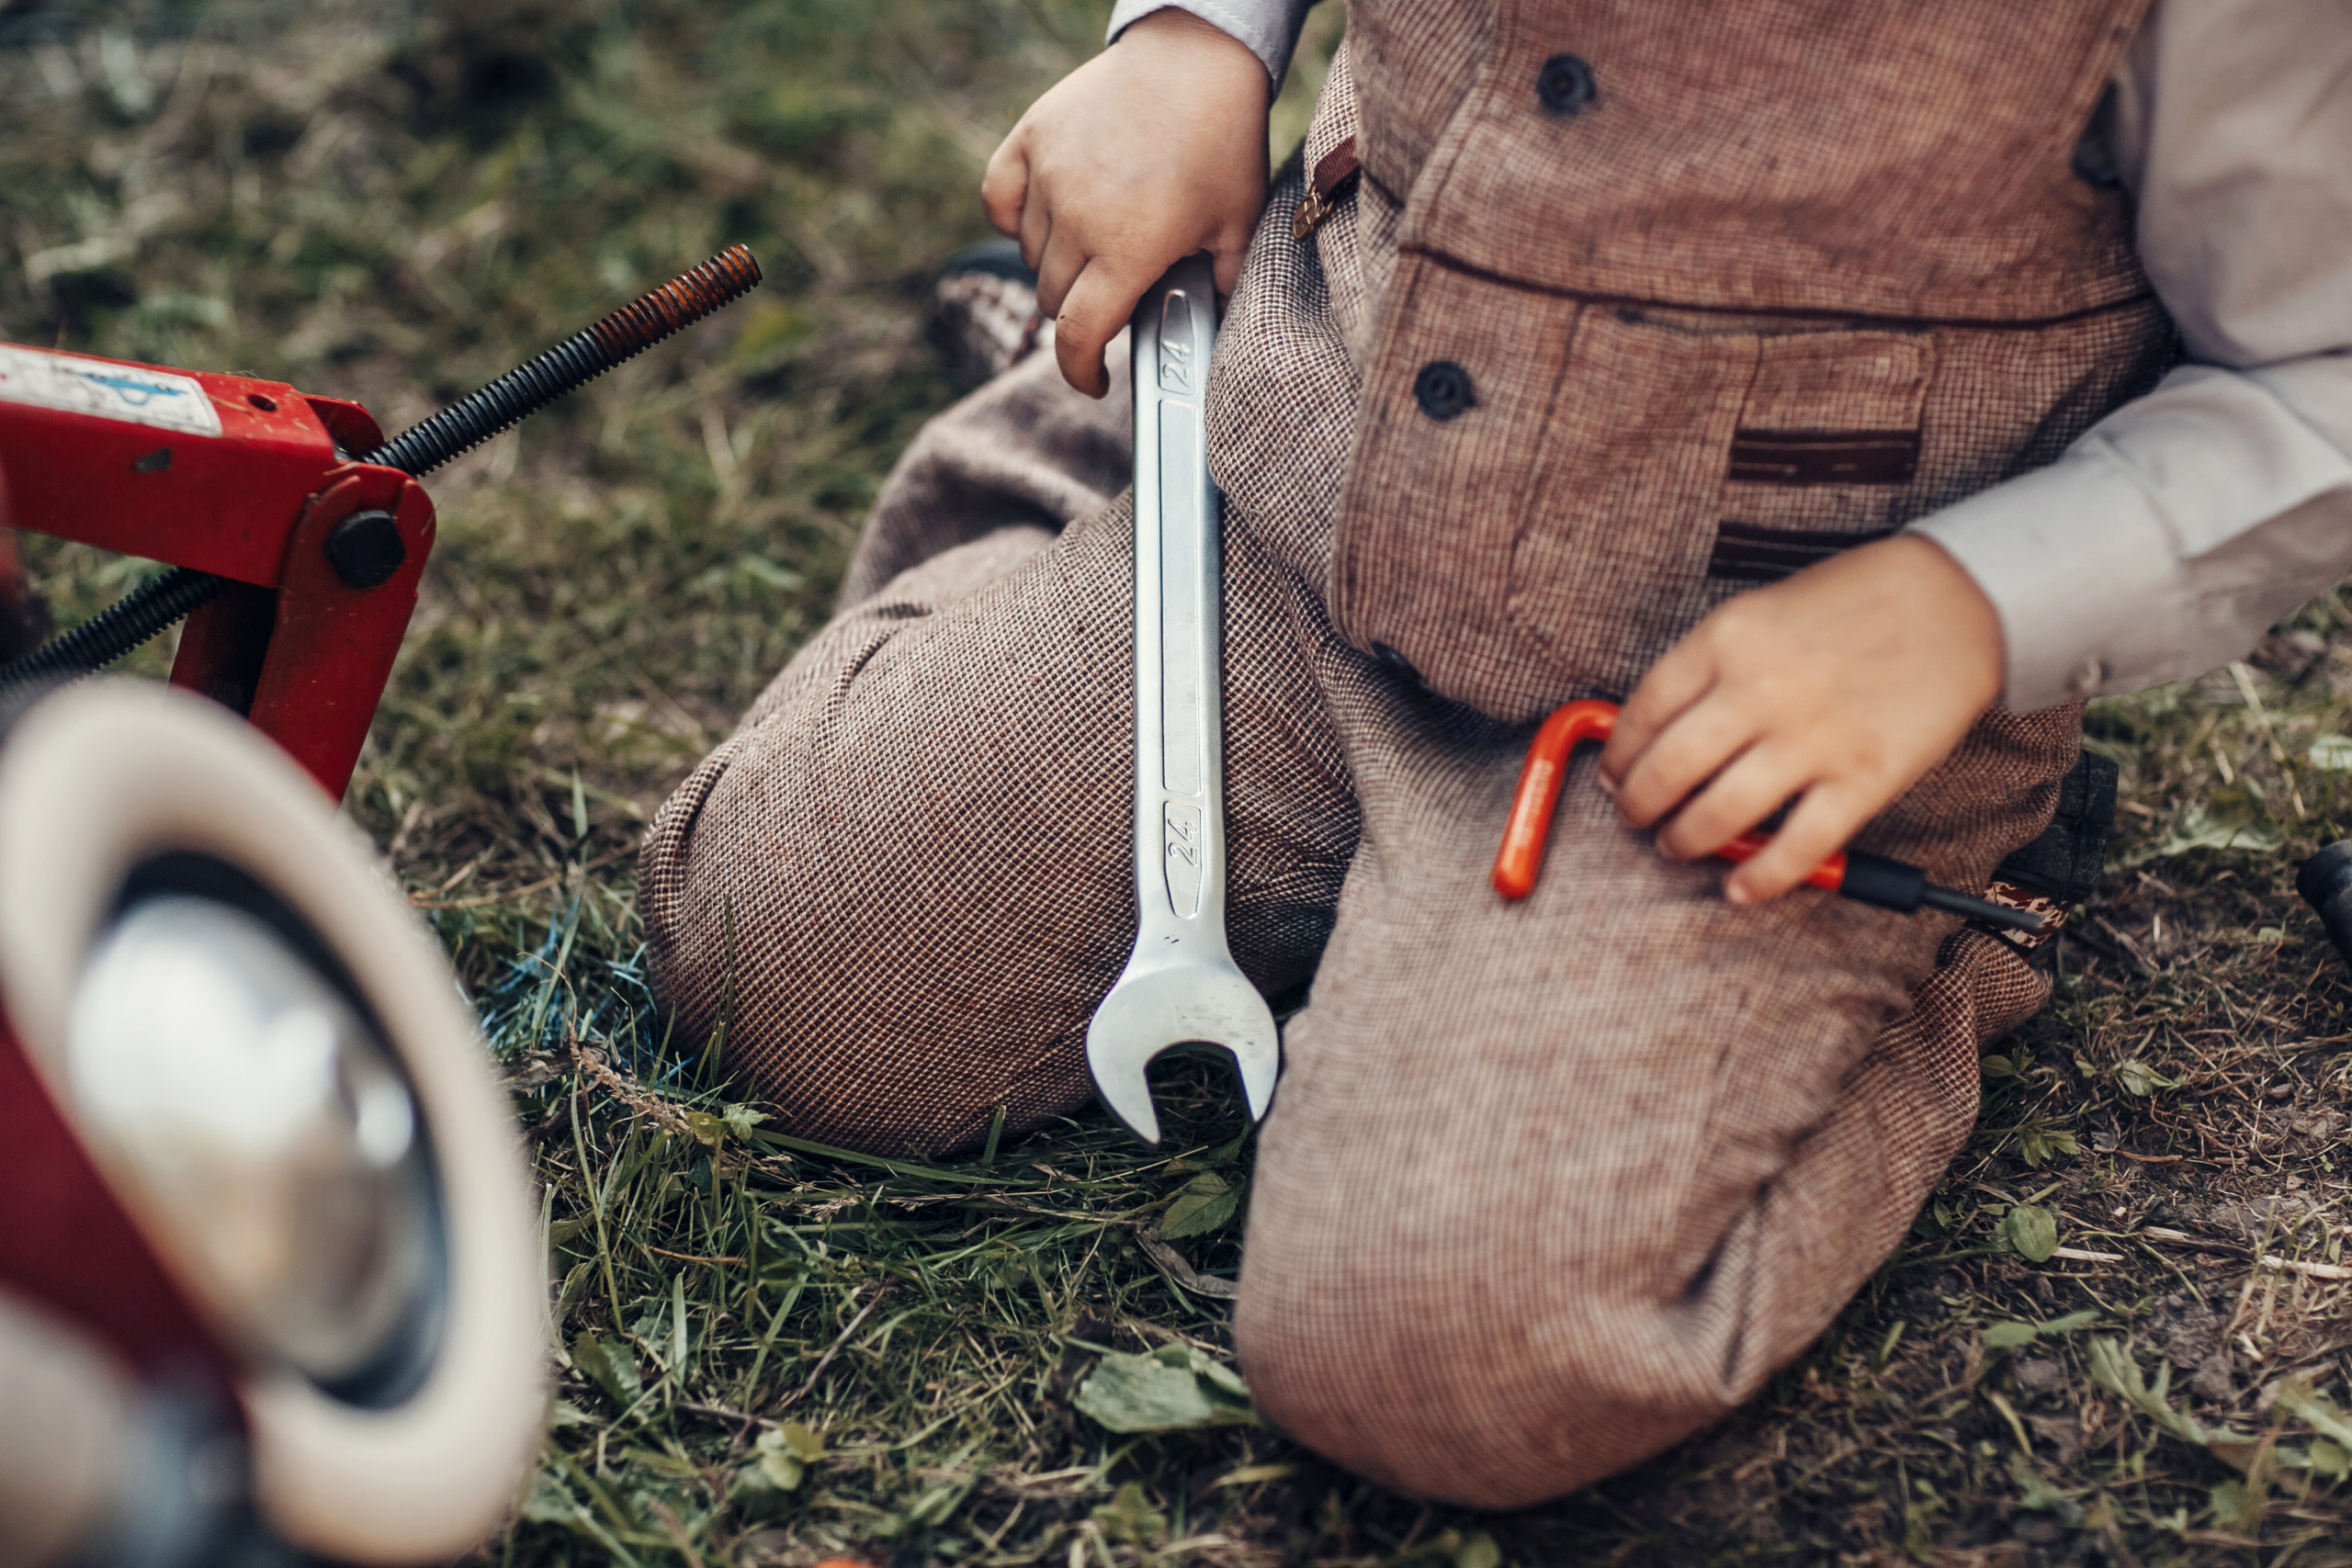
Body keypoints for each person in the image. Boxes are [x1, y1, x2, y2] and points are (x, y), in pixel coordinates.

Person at [641, 0, 2352, 1506]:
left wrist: (1977, 607)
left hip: (1744, 718)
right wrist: (1196, 38)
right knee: (786, 977)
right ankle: (1106, 408)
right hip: (1315, 495)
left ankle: (1956, 913)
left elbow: (2317, 378)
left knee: (1440, 1350)